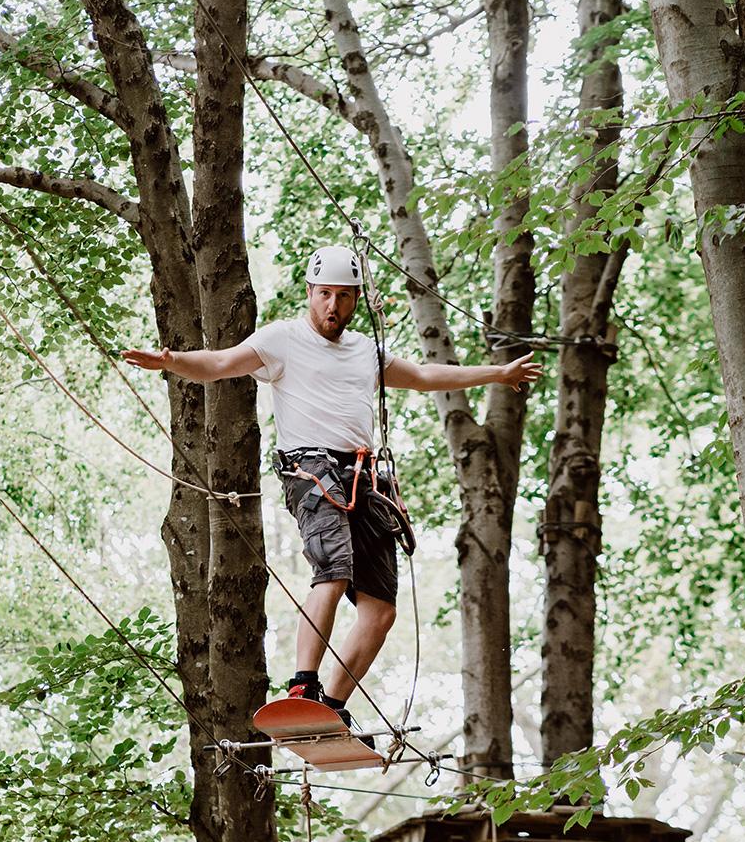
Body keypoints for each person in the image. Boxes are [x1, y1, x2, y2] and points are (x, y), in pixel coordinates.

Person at [123, 244, 542, 732]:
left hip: (365, 477)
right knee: (334, 568)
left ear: (356, 299)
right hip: (311, 469)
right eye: (325, 295)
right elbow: (219, 364)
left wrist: (500, 372)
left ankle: (330, 707)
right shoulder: (283, 339)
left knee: (381, 609)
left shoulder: (366, 350)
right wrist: (170, 360)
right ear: (310, 293)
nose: (333, 307)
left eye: (344, 297)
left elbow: (427, 376)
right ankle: (303, 684)